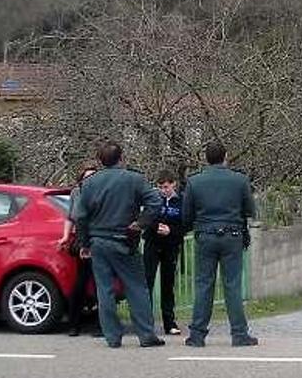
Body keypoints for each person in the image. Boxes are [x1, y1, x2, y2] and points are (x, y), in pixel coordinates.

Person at [74, 142, 165, 349]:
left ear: (100, 161)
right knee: (136, 287)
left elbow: (81, 216)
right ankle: (146, 335)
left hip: (98, 242)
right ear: (121, 158)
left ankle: (112, 337)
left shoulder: (89, 183)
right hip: (124, 239)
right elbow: (155, 202)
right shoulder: (134, 179)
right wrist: (141, 223)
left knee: (104, 290)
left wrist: (84, 242)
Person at [183, 141, 257, 347]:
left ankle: (197, 335)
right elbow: (250, 210)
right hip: (232, 235)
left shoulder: (194, 181)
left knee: (203, 285)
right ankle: (239, 334)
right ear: (226, 156)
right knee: (232, 285)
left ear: (206, 158)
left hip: (205, 235)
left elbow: (187, 214)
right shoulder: (240, 180)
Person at [58, 163, 102, 337]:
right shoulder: (76, 193)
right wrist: (65, 236)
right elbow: (70, 217)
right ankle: (74, 323)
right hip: (81, 240)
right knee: (81, 282)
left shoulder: (102, 193)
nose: (90, 180)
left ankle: (101, 324)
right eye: (86, 177)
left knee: (101, 283)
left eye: (93, 176)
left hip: (98, 238)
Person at [143, 169, 185, 336]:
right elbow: (146, 218)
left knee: (168, 284)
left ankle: (169, 322)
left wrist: (171, 230)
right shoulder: (153, 200)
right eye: (160, 187)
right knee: (148, 281)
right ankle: (146, 321)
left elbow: (185, 224)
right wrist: (155, 227)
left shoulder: (181, 201)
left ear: (173, 184)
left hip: (171, 245)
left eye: (166, 187)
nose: (163, 190)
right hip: (153, 243)